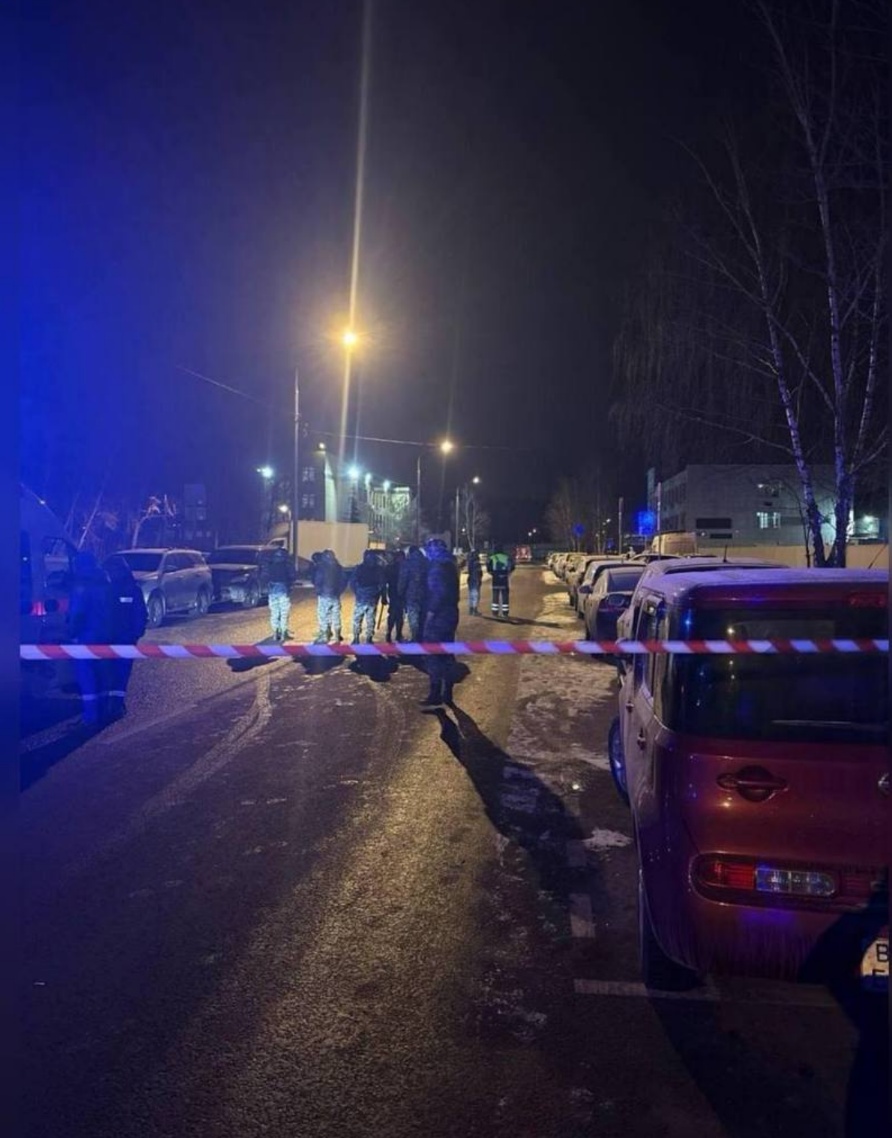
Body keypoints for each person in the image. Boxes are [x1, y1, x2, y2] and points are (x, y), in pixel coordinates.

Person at [67, 551, 114, 726]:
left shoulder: (82, 584)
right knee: (102, 674)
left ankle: (90, 716)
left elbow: (78, 613)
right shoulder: (106, 581)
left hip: (86, 636)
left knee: (86, 677)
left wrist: (71, 632)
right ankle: (104, 711)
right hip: (106, 635)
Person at [103, 555, 148, 719]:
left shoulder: (126, 589)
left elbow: (139, 613)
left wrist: (136, 633)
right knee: (116, 672)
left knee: (119, 672)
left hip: (121, 638)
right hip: (116, 638)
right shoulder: (112, 589)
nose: (111, 573)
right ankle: (114, 705)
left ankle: (114, 705)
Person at [420, 537, 460, 706]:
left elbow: (438, 594)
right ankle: (448, 692)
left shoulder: (437, 567)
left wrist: (430, 614)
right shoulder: (451, 565)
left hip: (438, 617)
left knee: (433, 654)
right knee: (447, 653)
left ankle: (435, 692)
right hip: (451, 614)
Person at [312, 549, 347, 643]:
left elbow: (318, 580)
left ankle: (325, 636)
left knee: (323, 615)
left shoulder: (322, 568)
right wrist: (339, 591)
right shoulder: (338, 567)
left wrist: (318, 591)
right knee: (336, 615)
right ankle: (337, 635)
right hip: (335, 596)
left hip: (324, 595)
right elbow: (344, 581)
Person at [350, 550, 385, 644]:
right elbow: (382, 585)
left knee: (358, 619)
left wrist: (358, 592)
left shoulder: (359, 568)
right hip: (371, 599)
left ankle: (356, 638)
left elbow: (352, 582)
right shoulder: (378, 569)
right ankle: (368, 638)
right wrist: (378, 594)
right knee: (370, 619)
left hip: (361, 598)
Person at [265, 546, 296, 641]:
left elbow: (264, 576)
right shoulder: (287, 565)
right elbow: (292, 576)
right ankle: (283, 633)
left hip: (272, 591)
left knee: (274, 612)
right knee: (283, 613)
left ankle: (275, 633)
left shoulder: (270, 564)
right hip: (283, 590)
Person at [399, 544, 428, 641]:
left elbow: (403, 580)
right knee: (422, 615)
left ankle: (415, 637)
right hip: (425, 594)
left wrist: (400, 592)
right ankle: (422, 636)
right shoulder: (426, 562)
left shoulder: (408, 563)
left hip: (411, 594)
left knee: (413, 616)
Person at [487, 544, 515, 618]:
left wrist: (494, 574)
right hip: (504, 580)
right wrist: (507, 573)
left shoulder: (492, 558)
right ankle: (505, 613)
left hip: (495, 580)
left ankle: (495, 613)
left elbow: (488, 569)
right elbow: (512, 567)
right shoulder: (506, 557)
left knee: (495, 596)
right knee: (505, 597)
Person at [384, 549, 406, 643]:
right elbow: (384, 582)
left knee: (397, 615)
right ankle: (392, 634)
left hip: (397, 594)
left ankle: (395, 634)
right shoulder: (399, 568)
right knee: (395, 615)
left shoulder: (391, 567)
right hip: (396, 594)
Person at [466, 549, 483, 615]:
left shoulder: (469, 562)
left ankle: (470, 609)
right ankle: (474, 610)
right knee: (476, 595)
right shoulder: (477, 563)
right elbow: (479, 572)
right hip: (476, 579)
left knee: (471, 595)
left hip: (470, 579)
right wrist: (479, 579)